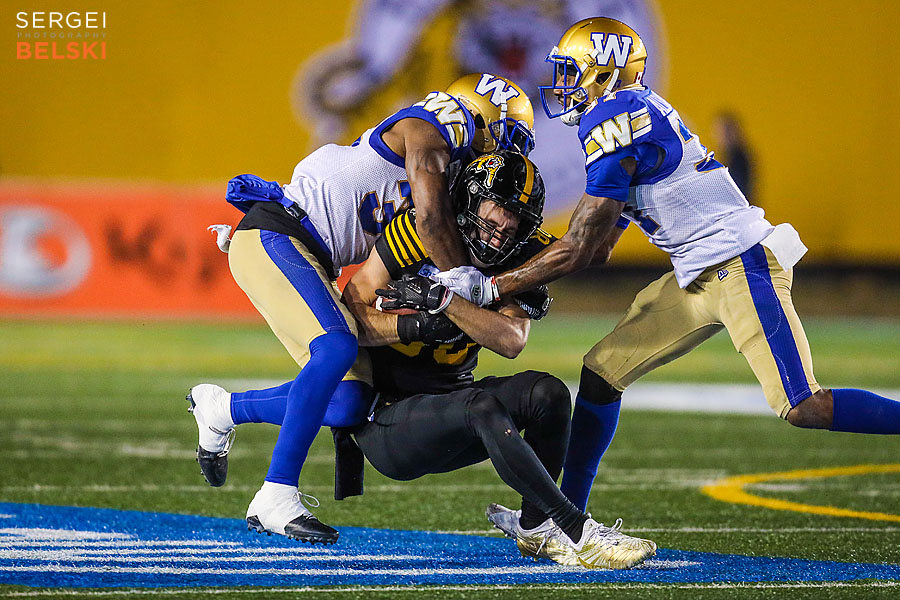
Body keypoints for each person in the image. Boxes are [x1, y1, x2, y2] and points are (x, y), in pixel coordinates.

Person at [424, 17, 900, 539]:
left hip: (740, 264)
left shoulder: (614, 116)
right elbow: (598, 248)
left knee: (803, 405)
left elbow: (580, 246)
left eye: (572, 71)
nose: (563, 84)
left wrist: (494, 286)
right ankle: (561, 520)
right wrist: (516, 268)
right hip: (698, 273)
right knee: (602, 373)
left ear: (604, 73)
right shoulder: (625, 114)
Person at [186, 73, 535, 545]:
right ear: (484, 118)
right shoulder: (431, 127)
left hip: (311, 255)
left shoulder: (450, 168)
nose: (504, 155)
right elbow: (430, 221)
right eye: (506, 138)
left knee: (349, 401)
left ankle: (222, 409)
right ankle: (275, 494)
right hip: (281, 232)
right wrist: (463, 286)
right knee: (335, 347)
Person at [340, 151, 656, 569]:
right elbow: (349, 317)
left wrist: (445, 301)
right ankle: (576, 531)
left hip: (454, 401)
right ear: (468, 202)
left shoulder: (522, 256)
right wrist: (412, 326)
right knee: (481, 406)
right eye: (496, 214)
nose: (502, 231)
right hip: (388, 418)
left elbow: (511, 340)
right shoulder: (417, 231)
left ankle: (535, 525)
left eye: (515, 221)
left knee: (547, 393)